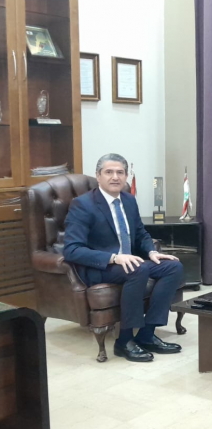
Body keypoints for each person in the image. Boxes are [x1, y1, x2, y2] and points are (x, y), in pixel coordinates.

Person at [64, 153, 184, 363]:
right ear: (98, 176)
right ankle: (124, 341)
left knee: (173, 266)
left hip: (129, 263)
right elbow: (72, 250)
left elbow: (140, 233)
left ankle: (147, 334)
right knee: (138, 268)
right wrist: (113, 258)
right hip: (100, 267)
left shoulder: (128, 200)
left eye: (120, 172)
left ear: (126, 176)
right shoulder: (83, 204)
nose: (115, 177)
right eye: (109, 172)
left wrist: (152, 252)